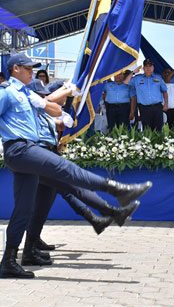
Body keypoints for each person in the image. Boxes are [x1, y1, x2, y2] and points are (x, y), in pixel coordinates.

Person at [0, 52, 153, 279]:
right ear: (15, 68)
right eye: (28, 68)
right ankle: (118, 191)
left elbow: (54, 109)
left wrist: (56, 100)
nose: (32, 72)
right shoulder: (4, 92)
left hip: (28, 151)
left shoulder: (26, 93)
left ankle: (8, 262)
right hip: (21, 149)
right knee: (68, 171)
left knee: (24, 208)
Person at [22, 80, 141, 262]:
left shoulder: (44, 111)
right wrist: (67, 93)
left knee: (43, 204)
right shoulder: (33, 109)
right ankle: (109, 212)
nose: (43, 97)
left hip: (47, 154)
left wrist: (65, 116)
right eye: (40, 95)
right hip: (39, 157)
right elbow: (48, 111)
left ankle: (30, 247)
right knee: (71, 186)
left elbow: (57, 124)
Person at [129, 59, 168, 131]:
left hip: (157, 108)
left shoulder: (158, 78)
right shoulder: (137, 79)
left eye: (150, 66)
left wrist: (166, 104)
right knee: (147, 130)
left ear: (153, 67)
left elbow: (164, 91)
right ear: (143, 68)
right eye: (146, 66)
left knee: (158, 130)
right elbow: (125, 82)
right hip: (144, 109)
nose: (148, 68)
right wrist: (133, 72)